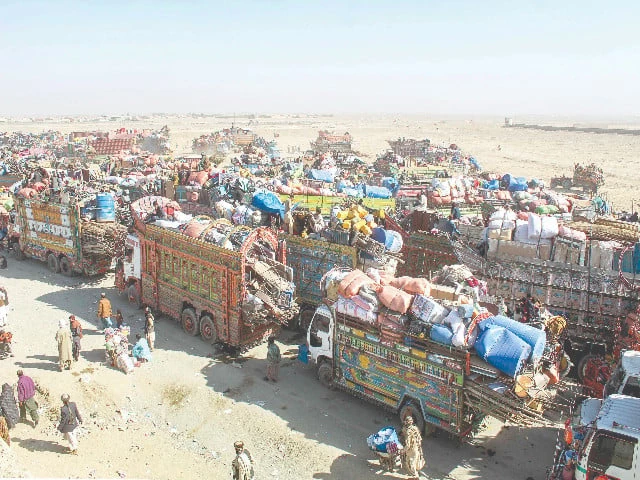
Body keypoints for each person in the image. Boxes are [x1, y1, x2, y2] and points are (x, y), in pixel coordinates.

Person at [401, 415, 425, 480]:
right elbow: (420, 439)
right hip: (417, 448)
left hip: (412, 450)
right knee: (416, 461)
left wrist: (402, 451)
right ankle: (417, 472)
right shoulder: (415, 428)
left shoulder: (408, 432)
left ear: (406, 422)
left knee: (409, 463)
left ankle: (415, 476)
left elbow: (408, 445)